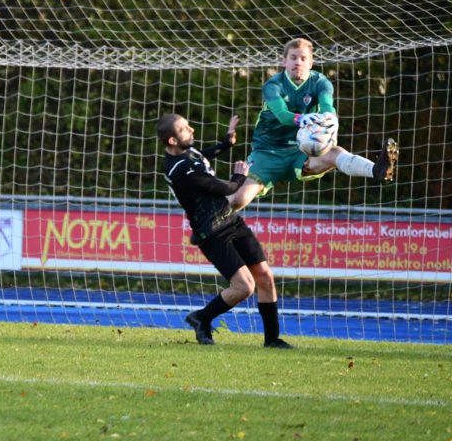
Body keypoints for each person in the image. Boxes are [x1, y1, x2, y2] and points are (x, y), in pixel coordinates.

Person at [158, 113, 292, 349]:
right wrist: (240, 175)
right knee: (244, 287)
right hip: (211, 232)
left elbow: (202, 156)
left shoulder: (184, 153)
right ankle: (201, 318)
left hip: (230, 220)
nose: (192, 130)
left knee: (264, 276)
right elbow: (227, 188)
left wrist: (226, 143)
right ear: (172, 140)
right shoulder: (181, 170)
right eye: (184, 129)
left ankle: (272, 340)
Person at [229, 37, 399, 211]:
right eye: (293, 58)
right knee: (238, 199)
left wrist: (331, 118)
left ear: (311, 63)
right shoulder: (273, 85)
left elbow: (327, 105)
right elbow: (281, 114)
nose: (298, 62)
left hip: (301, 150)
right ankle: (215, 213)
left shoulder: (320, 82)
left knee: (334, 153)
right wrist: (300, 119)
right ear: (284, 62)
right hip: (268, 151)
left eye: (303, 58)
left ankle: (377, 170)